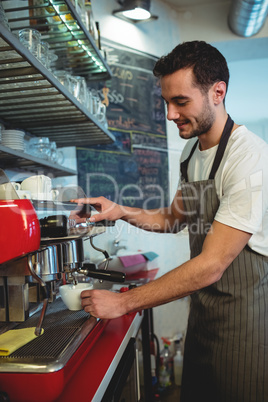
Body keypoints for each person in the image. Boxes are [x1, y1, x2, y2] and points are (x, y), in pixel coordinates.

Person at [70, 41, 268, 402]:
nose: (169, 114)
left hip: (246, 324)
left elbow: (211, 266)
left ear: (217, 92)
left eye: (180, 102)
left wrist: (125, 302)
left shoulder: (248, 157)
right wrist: (120, 210)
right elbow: (173, 218)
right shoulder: (192, 153)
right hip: (204, 316)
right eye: (166, 102)